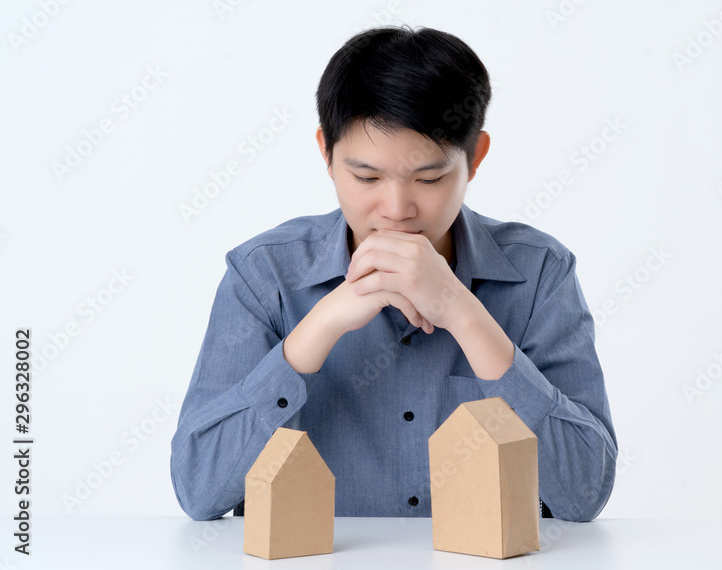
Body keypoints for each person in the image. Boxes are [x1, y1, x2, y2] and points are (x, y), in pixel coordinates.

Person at [170, 25, 617, 522]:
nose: (397, 208)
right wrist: (319, 327)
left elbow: (584, 495)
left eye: (429, 178)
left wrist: (466, 318)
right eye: (366, 177)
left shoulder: (539, 274)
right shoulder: (264, 275)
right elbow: (200, 492)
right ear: (326, 153)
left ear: (476, 158)